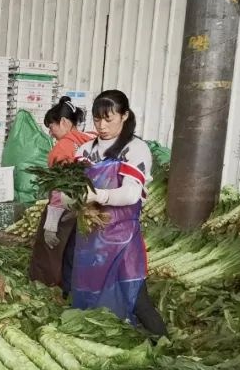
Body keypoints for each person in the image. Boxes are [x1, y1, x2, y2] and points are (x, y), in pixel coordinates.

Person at [69, 90, 166, 337]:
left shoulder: (135, 148)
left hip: (122, 238)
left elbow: (132, 194)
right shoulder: (84, 151)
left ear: (124, 116)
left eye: (108, 119)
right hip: (89, 239)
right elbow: (69, 188)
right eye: (97, 119)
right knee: (89, 293)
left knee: (134, 295)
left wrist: (99, 196)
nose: (101, 126)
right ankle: (102, 338)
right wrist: (68, 203)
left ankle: (164, 343)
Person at [29, 96, 95, 295]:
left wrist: (51, 221)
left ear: (65, 122)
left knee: (50, 249)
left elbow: (60, 187)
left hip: (66, 208)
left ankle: (48, 290)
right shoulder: (90, 141)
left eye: (52, 127)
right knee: (75, 251)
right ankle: (74, 291)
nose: (51, 133)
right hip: (87, 207)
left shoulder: (64, 147)